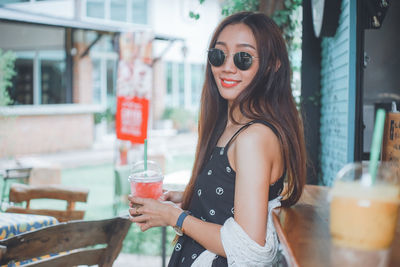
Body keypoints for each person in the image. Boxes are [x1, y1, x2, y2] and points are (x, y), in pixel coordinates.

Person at [128, 11, 306, 266]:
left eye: (243, 58)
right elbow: (231, 198)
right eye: (218, 55)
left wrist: (173, 217)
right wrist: (193, 196)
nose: (227, 67)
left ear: (271, 66)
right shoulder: (231, 125)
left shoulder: (254, 137)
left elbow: (249, 248)